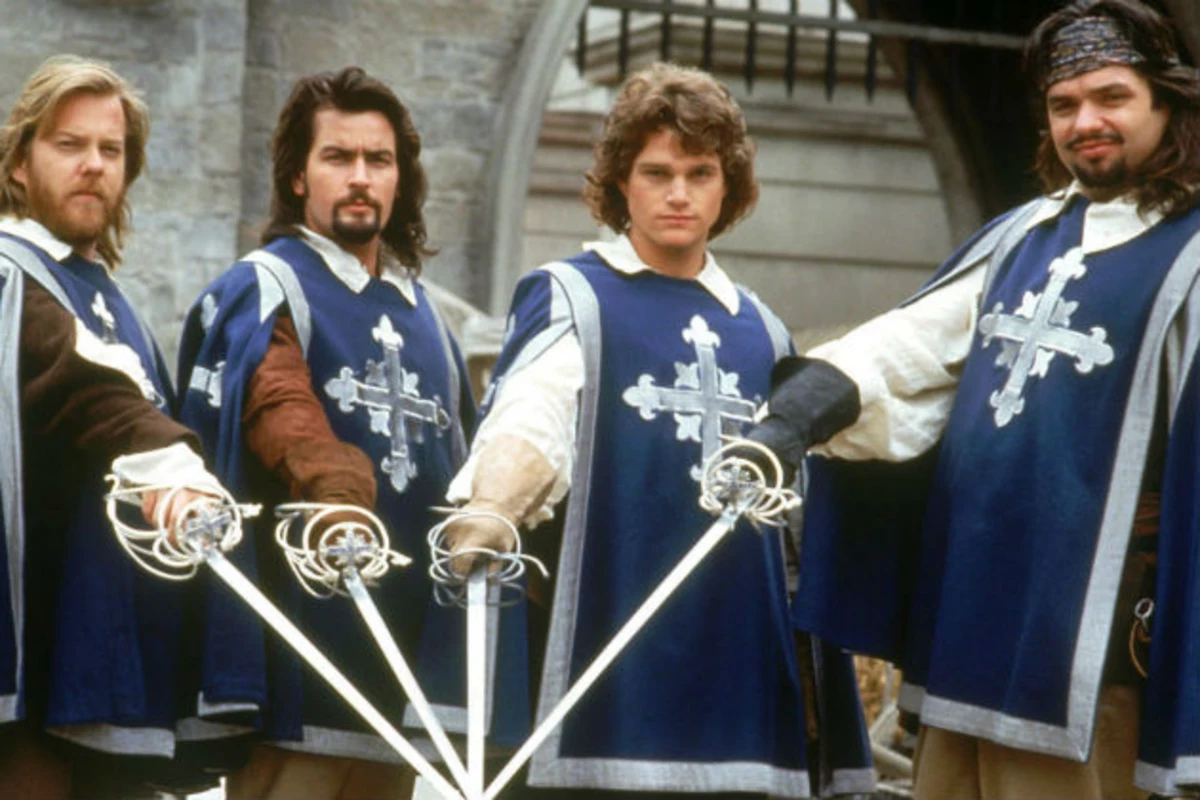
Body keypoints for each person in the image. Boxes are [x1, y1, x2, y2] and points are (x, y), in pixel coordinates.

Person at [747, 1, 1200, 796]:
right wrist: (798, 411)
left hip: (1098, 640)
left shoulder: (1191, 252)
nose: (1085, 122)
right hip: (975, 609)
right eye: (1063, 104)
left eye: (1112, 97)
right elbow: (912, 345)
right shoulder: (1023, 237)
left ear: (1168, 103)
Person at [443, 62, 872, 798]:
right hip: (612, 636)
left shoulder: (762, 328)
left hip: (740, 647)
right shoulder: (575, 296)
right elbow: (533, 416)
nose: (679, 194)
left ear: (728, 186)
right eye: (657, 173)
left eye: (700, 173)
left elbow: (794, 517)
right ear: (622, 182)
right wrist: (493, 505)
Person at [174, 66, 502, 799]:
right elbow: (275, 400)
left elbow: (468, 463)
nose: (360, 177)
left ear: (400, 178)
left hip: (404, 658)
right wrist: (336, 492)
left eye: (378, 160)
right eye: (338, 157)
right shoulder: (268, 285)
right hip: (304, 648)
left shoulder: (428, 317)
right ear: (298, 176)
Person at [0, 55, 227, 798]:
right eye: (69, 145)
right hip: (30, 657)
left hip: (104, 654)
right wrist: (178, 474)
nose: (93, 165)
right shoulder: (10, 276)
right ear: (20, 160)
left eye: (111, 149)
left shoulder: (109, 297)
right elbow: (82, 385)